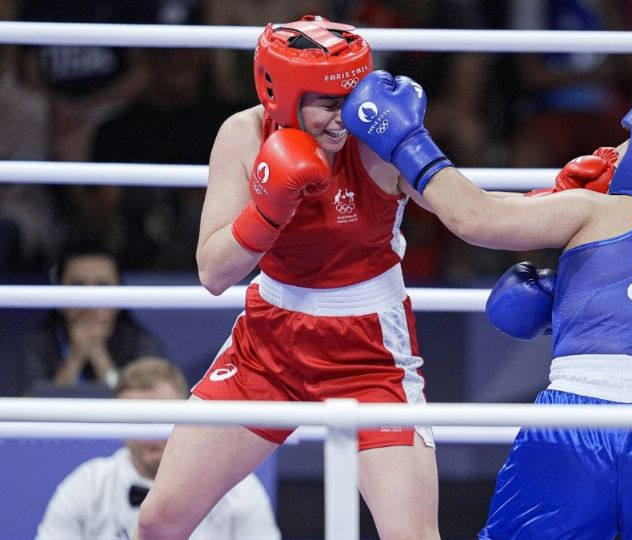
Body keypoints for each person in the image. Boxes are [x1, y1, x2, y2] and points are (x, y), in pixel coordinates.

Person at [343, 72, 632, 537]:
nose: (612, 151)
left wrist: (406, 141)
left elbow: (474, 216)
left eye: (625, 143)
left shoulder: (597, 210)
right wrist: (569, 297)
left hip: (575, 420)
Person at [136, 16, 441, 540]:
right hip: (269, 342)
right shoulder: (242, 134)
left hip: (370, 350)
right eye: (327, 102)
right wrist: (269, 209)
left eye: (353, 96)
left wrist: (562, 202)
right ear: (282, 95)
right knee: (159, 523)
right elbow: (213, 272)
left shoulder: (378, 134)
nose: (346, 116)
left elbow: (469, 216)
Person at [36, 356, 279, 540]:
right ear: (118, 423)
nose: (153, 433)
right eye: (140, 419)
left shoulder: (239, 490)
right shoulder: (86, 486)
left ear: (187, 417)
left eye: (163, 417)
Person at [19, 242, 164, 396]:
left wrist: (99, 355)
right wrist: (75, 357)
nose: (90, 298)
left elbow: (144, 409)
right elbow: (34, 410)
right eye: (77, 285)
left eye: (102, 285)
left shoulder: (141, 342)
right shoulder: (38, 342)